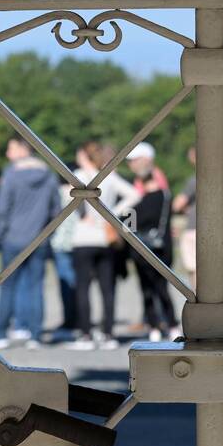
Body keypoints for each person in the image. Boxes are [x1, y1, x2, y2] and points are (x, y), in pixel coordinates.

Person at [64, 141, 140, 351]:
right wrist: (111, 213)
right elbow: (135, 194)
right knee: (108, 288)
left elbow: (68, 200)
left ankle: (86, 334)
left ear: (84, 157)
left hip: (83, 238)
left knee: (83, 289)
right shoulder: (109, 177)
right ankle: (108, 334)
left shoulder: (77, 176)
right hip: (105, 239)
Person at [0, 137, 60, 350]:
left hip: (12, 238)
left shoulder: (11, 174)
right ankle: (35, 335)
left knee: (8, 286)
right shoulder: (48, 174)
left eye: (11, 148)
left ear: (23, 149)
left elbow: (2, 209)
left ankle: (1, 332)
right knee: (35, 287)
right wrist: (47, 233)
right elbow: (56, 209)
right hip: (39, 239)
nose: (7, 154)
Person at [126, 142, 178, 340]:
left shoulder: (151, 191)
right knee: (154, 287)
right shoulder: (153, 191)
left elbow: (132, 219)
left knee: (156, 287)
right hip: (154, 245)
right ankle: (161, 323)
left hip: (152, 245)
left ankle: (161, 324)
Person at [49, 179, 80, 342]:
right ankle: (78, 319)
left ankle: (70, 320)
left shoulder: (59, 192)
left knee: (66, 285)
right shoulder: (83, 191)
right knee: (78, 284)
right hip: (79, 242)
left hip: (61, 244)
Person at [172, 146, 197, 291]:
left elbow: (177, 204)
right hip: (208, 228)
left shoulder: (194, 180)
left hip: (193, 229)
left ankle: (199, 301)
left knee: (194, 268)